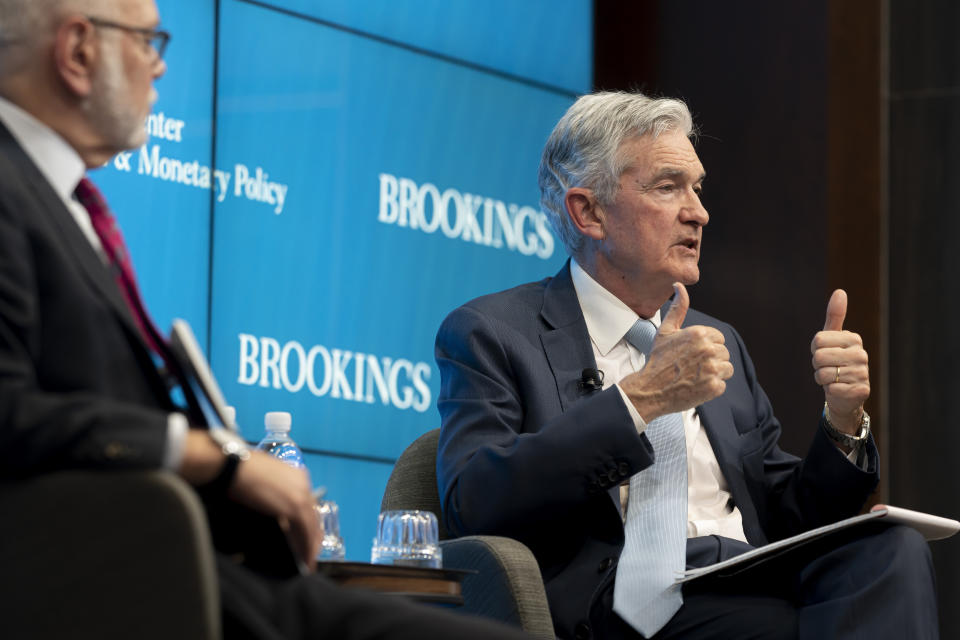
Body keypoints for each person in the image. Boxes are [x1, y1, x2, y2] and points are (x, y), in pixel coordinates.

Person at [0, 1, 529, 638]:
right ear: (79, 51)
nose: (161, 66)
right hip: (114, 587)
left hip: (200, 573)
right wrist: (217, 457)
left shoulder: (61, 201)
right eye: (147, 40)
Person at [435, 91, 938, 639]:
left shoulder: (718, 339)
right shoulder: (493, 333)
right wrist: (641, 399)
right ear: (589, 212)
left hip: (753, 574)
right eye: (668, 186)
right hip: (628, 603)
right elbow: (473, 503)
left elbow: (793, 515)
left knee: (893, 549)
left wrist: (842, 420)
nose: (699, 211)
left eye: (696, 188)